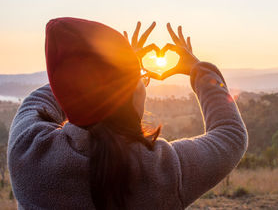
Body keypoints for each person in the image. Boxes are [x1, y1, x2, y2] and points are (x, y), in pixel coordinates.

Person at [7, 17, 248, 209]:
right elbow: (230, 135)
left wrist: (105, 68)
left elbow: (45, 97)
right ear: (132, 93)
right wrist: (200, 70)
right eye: (141, 78)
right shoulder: (162, 172)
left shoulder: (28, 152)